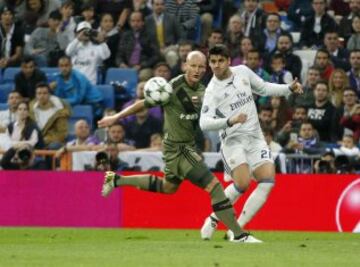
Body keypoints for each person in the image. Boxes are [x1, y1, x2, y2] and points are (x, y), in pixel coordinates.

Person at [98, 51, 261, 243]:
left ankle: (116, 180)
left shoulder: (203, 90)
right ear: (185, 65)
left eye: (201, 67)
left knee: (168, 187)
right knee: (215, 187)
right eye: (193, 66)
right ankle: (239, 235)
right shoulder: (171, 88)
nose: (197, 70)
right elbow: (143, 103)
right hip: (179, 149)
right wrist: (115, 117)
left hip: (182, 147)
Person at [198, 44, 303, 240]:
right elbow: (204, 123)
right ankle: (213, 218)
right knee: (243, 183)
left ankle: (235, 230)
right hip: (233, 140)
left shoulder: (243, 72)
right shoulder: (212, 91)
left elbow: (263, 88)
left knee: (267, 181)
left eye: (221, 61)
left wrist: (288, 88)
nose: (217, 65)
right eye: (213, 62)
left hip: (255, 137)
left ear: (229, 60)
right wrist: (229, 121)